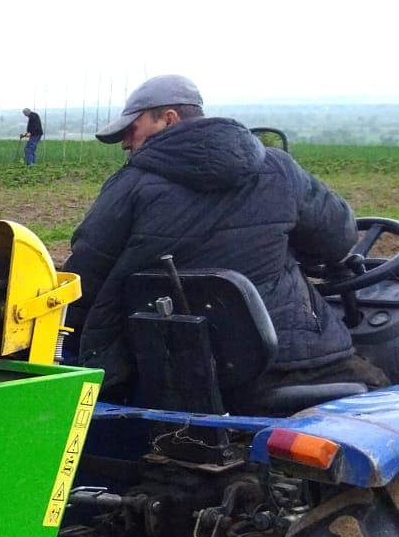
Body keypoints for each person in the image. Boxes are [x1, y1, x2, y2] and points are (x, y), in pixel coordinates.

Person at [64, 73, 358, 390]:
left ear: (167, 119)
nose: (125, 143)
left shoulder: (129, 185)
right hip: (298, 362)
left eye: (132, 130)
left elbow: (83, 283)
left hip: (173, 375)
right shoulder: (280, 169)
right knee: (386, 379)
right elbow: (337, 241)